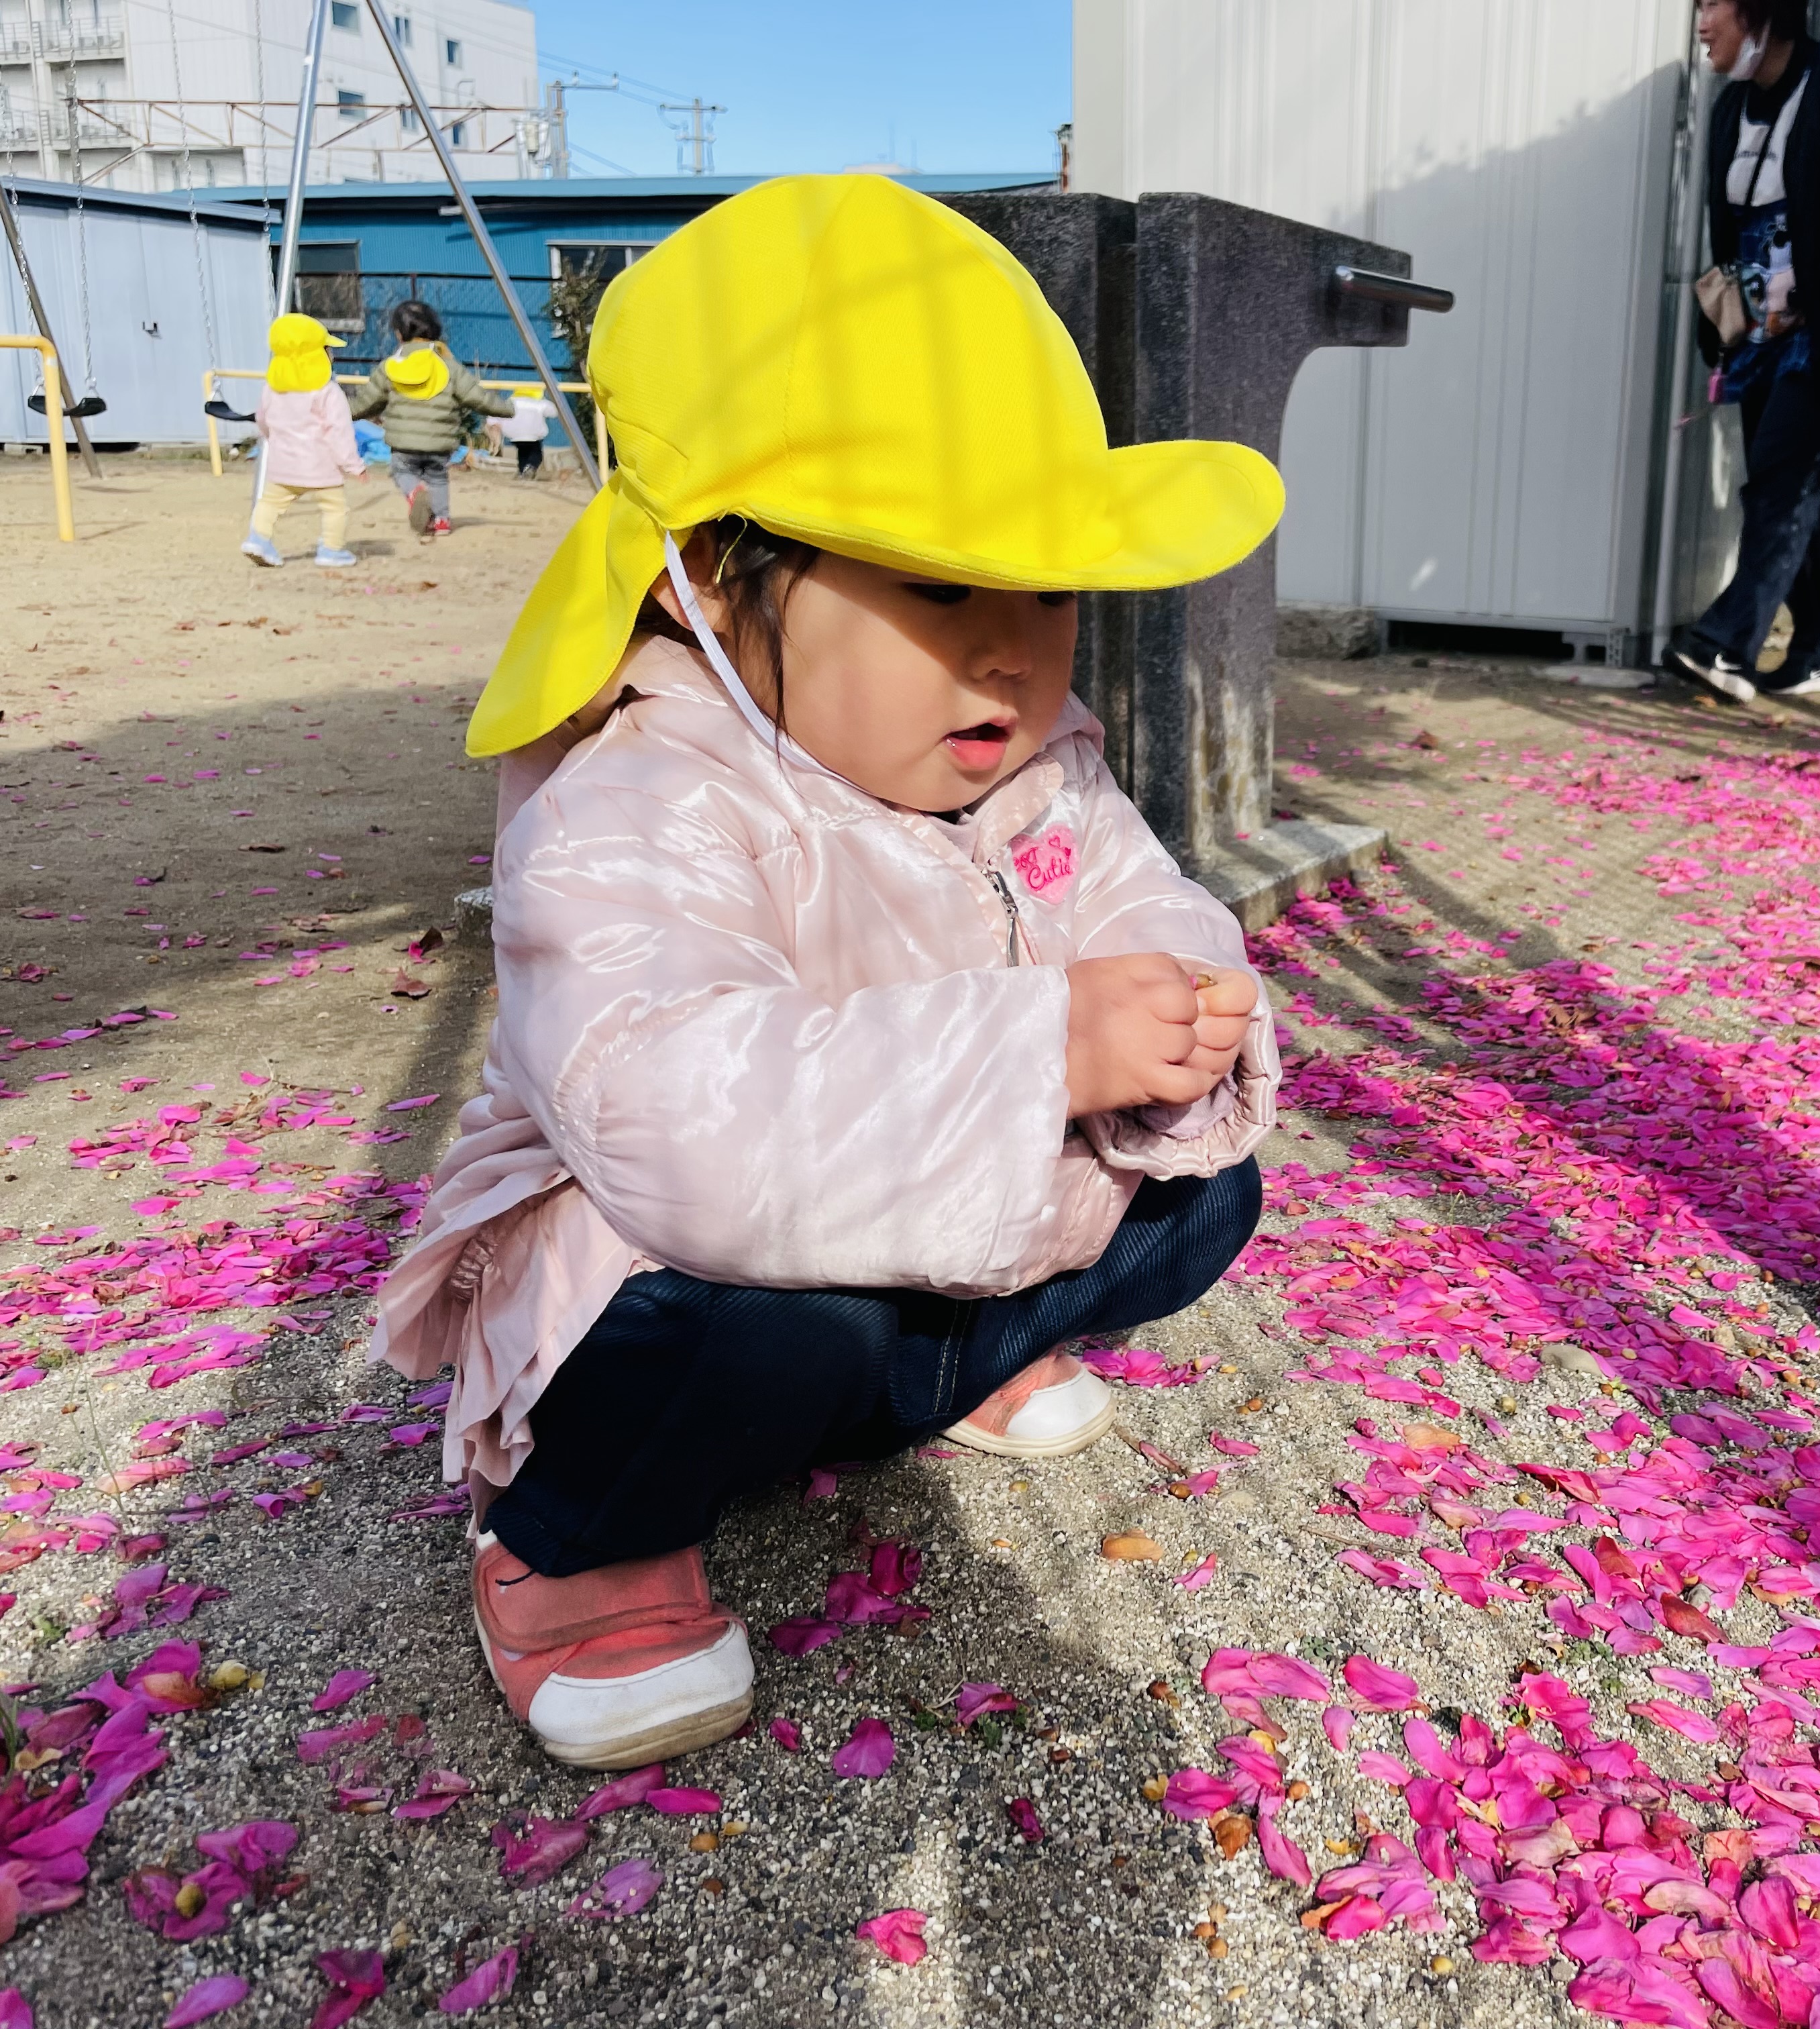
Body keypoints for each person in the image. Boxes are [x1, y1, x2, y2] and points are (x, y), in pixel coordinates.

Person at [370, 174, 1286, 1771]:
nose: (1009, 649)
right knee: (747, 1329)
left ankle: (940, 1379)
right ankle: (572, 1547)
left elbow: (1149, 899)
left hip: (914, 1230)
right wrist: (1046, 1052)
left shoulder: (1043, 768)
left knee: (1211, 1196)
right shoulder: (640, 796)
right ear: (708, 577)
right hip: (679, 1247)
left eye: (1050, 590)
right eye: (937, 584)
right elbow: (679, 1124)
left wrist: (1183, 1001)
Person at [1668, 0, 1820, 704]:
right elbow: (1728, 234)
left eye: (1713, 3)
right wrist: (1722, 333)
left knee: (1780, 486)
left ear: (1760, 8)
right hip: (1758, 343)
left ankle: (1726, 644)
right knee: (1796, 488)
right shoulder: (1730, 109)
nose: (1701, 23)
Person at [349, 299, 515, 540]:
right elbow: (477, 397)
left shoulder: (390, 367)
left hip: (404, 445)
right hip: (440, 445)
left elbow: (366, 403)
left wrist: (337, 413)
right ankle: (442, 521)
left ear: (399, 334)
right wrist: (508, 409)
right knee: (437, 477)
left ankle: (415, 493)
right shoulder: (449, 366)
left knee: (400, 470)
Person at [240, 311, 363, 568]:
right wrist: (353, 465)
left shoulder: (272, 389)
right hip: (321, 466)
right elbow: (339, 432)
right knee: (334, 507)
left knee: (270, 503)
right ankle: (332, 550)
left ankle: (258, 539)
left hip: (283, 464)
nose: (332, 354)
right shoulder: (328, 392)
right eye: (327, 349)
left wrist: (274, 440)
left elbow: (262, 420)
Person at [498, 382, 556, 480]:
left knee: (522, 452)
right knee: (536, 453)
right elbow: (553, 412)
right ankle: (531, 467)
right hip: (533, 434)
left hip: (515, 435)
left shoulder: (511, 402)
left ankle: (522, 471)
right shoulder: (539, 403)